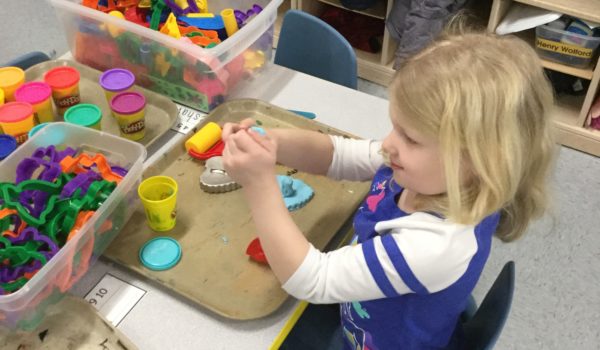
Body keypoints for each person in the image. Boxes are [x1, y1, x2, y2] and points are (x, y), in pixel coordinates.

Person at [221, 26, 555, 349]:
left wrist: (259, 184)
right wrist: (272, 143)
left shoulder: (437, 246)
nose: (389, 143)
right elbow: (339, 155)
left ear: (479, 162)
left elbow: (313, 280)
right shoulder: (430, 173)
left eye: (410, 137)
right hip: (367, 311)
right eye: (396, 127)